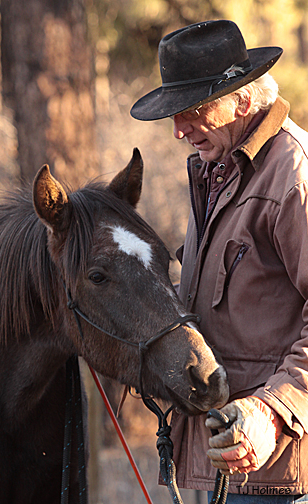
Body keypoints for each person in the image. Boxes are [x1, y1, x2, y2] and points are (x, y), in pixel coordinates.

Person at [130, 19, 308, 504]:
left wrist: (271, 414)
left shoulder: (293, 175)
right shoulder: (217, 170)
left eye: (191, 111)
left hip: (280, 472)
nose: (177, 131)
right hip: (227, 461)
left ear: (244, 99)